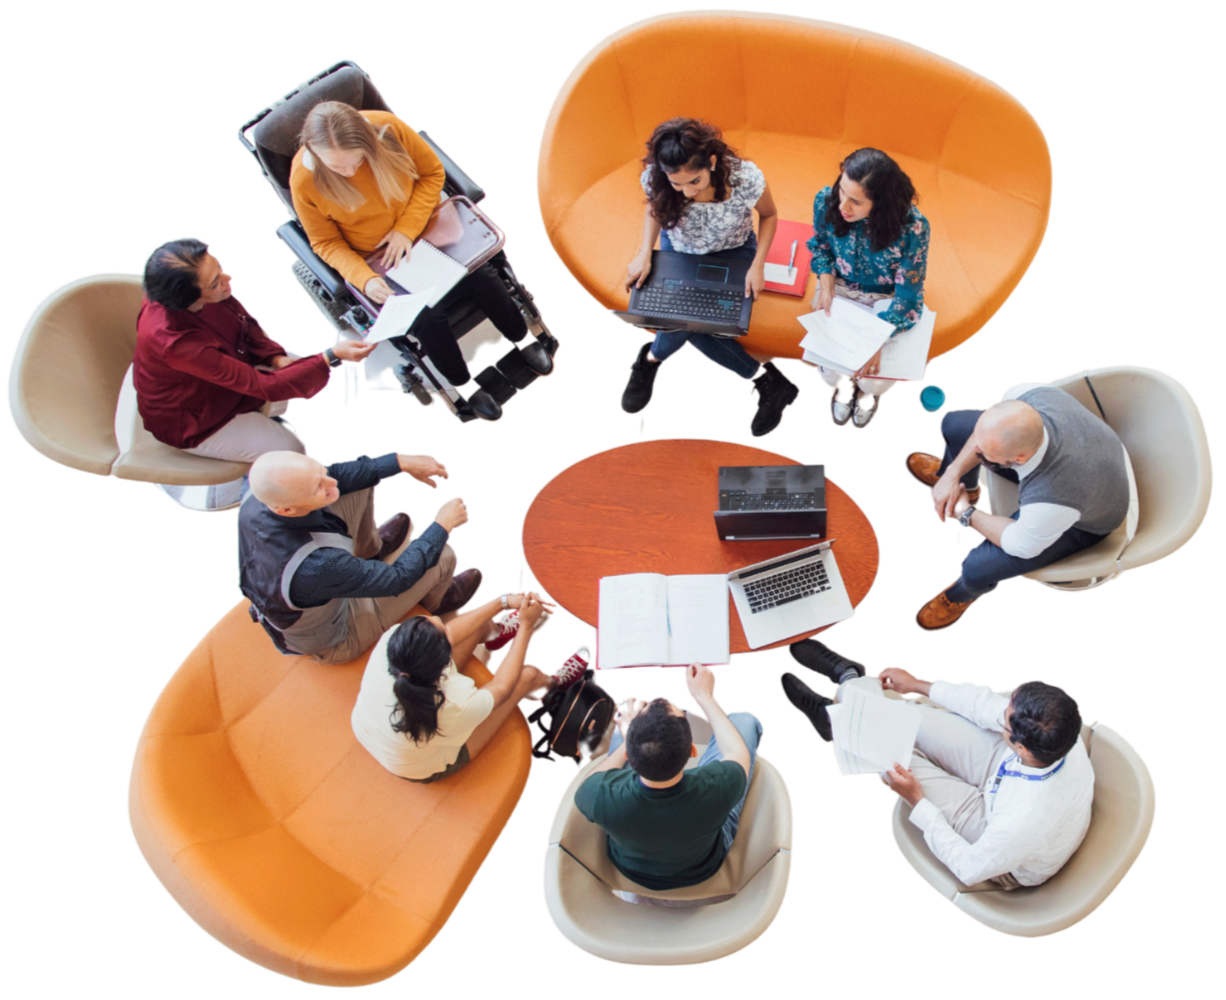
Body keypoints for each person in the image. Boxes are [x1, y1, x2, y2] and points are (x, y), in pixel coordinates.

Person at [290, 102, 549, 420]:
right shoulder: (304, 180)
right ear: (314, 152)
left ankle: (523, 340)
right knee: (426, 321)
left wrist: (404, 230)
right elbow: (326, 243)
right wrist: (366, 279)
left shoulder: (389, 130)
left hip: (427, 230)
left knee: (484, 278)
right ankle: (466, 387)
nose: (349, 172)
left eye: (356, 162)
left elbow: (431, 175)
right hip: (380, 260)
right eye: (337, 167)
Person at [779, 661, 1094, 891]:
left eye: (1006, 721)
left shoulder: (1017, 825)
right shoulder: (1058, 728)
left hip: (998, 834)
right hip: (1005, 769)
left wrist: (918, 801)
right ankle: (850, 690)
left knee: (889, 761)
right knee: (911, 719)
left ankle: (835, 722)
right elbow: (984, 707)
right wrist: (917, 685)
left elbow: (969, 868)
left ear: (1022, 747)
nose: (1002, 714)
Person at [620, 118, 798, 438]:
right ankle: (767, 381)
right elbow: (654, 208)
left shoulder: (745, 178)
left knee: (695, 321)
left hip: (733, 252)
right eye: (678, 185)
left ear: (712, 163)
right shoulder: (657, 177)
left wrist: (758, 264)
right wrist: (645, 252)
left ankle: (650, 358)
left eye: (695, 181)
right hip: (680, 249)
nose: (687, 192)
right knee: (693, 322)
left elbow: (769, 215)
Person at [902, 383, 1132, 631]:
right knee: (955, 425)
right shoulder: (1033, 396)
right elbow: (980, 436)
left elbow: (1019, 543)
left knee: (978, 567)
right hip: (1084, 461)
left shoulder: (1055, 494)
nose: (974, 450)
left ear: (1018, 459)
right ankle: (965, 487)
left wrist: (963, 511)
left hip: (1084, 521)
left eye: (982, 453)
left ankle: (962, 593)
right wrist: (952, 475)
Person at [135, 237, 377, 460]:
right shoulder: (176, 341)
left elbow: (241, 320)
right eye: (214, 282)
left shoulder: (191, 293)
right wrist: (331, 356)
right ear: (187, 299)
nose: (227, 278)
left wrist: (274, 357)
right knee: (291, 448)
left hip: (220, 373)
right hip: (194, 417)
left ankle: (265, 421)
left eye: (219, 267)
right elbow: (264, 385)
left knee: (292, 367)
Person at [238, 449, 485, 664]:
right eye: (318, 488)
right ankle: (433, 604)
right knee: (442, 555)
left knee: (358, 482)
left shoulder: (258, 493)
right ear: (286, 509)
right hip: (337, 634)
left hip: (319, 584)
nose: (330, 483)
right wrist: (442, 525)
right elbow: (396, 579)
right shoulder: (316, 567)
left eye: (320, 472)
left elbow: (338, 475)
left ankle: (370, 554)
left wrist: (400, 461)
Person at [351, 592, 592, 781]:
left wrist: (503, 602)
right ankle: (555, 685)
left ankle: (497, 634)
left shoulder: (393, 642)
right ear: (442, 668)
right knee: (526, 676)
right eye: (442, 628)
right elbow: (503, 687)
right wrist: (526, 627)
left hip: (372, 729)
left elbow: (450, 633)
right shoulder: (456, 702)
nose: (440, 620)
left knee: (473, 625)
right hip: (421, 766)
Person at [574, 664, 765, 898]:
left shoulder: (597, 794)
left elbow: (594, 777)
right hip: (703, 867)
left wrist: (627, 741)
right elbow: (737, 754)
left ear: (629, 757)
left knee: (622, 717)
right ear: (692, 751)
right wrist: (705, 698)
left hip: (632, 870)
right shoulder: (718, 786)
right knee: (743, 721)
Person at [808, 148, 931, 428]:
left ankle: (867, 394)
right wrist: (826, 285)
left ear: (882, 203)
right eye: (842, 191)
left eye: (856, 201)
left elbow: (908, 294)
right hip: (841, 290)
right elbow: (821, 248)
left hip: (887, 299)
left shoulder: (914, 228)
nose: (843, 206)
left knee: (874, 381)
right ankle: (846, 387)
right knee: (831, 374)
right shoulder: (826, 201)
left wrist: (878, 338)